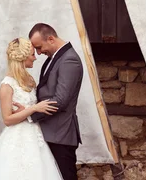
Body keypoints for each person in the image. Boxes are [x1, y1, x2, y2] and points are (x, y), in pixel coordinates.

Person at [0, 38, 63, 179]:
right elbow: (7, 119)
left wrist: (25, 110)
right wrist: (32, 109)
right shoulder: (7, 85)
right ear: (23, 58)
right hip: (17, 136)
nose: (35, 58)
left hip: (35, 135)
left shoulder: (29, 80)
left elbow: (26, 109)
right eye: (32, 55)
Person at [28, 23, 83, 180]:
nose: (38, 53)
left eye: (39, 47)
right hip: (50, 132)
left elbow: (60, 100)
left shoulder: (69, 60)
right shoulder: (54, 58)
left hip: (61, 134)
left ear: (51, 39)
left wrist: (30, 115)